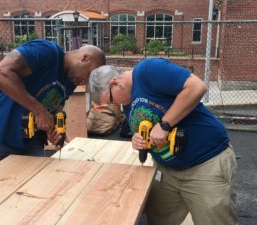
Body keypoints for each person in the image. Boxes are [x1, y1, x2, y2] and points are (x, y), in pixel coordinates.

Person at [88, 59, 237, 225]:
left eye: (111, 99)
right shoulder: (128, 100)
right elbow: (148, 125)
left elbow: (197, 87)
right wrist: (138, 139)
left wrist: (164, 124)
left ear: (115, 83)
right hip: (166, 171)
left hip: (205, 164)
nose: (114, 105)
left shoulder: (149, 70)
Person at [0, 39, 106, 182]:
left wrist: (53, 128)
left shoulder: (71, 81)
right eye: (88, 75)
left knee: (30, 191)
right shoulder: (46, 51)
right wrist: (39, 111)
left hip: (30, 143)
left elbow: (56, 107)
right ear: (85, 58)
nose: (85, 82)